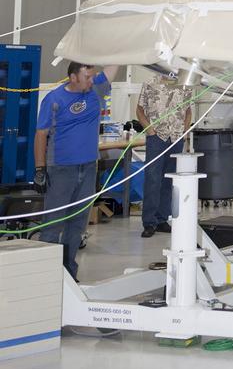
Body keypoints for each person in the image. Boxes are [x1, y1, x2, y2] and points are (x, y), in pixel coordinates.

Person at [34, 61, 118, 279]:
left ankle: (68, 273)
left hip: (89, 167)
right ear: (73, 77)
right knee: (53, 224)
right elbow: (41, 134)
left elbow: (113, 66)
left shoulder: (95, 91)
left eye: (92, 76)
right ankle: (46, 275)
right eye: (87, 77)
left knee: (77, 224)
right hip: (61, 169)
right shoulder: (53, 99)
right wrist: (40, 169)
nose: (91, 80)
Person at [136, 75, 193, 238]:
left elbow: (188, 110)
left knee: (169, 179)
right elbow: (139, 109)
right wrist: (150, 130)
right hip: (156, 137)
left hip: (176, 137)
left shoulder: (185, 83)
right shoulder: (149, 83)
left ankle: (162, 219)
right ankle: (149, 222)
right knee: (153, 179)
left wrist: (184, 130)